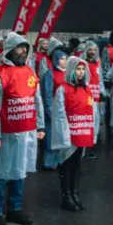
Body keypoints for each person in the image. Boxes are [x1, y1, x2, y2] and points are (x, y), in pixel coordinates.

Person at [0, 32, 45, 225]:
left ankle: (14, 209)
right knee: (2, 172)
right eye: (20, 47)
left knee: (20, 170)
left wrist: (40, 125)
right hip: (7, 131)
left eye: (25, 48)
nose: (23, 51)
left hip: (26, 130)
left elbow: (37, 100)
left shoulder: (29, 71)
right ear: (10, 49)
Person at [50, 55, 96, 212]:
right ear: (71, 70)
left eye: (83, 69)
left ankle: (75, 193)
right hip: (69, 135)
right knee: (67, 165)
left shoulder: (87, 89)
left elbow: (92, 111)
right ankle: (66, 196)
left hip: (83, 133)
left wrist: (91, 132)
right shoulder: (63, 89)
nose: (81, 72)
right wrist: (64, 135)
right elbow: (59, 114)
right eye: (78, 69)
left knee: (77, 165)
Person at [39, 39, 68, 171]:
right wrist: (50, 111)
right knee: (50, 139)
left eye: (65, 58)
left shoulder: (66, 73)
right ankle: (49, 163)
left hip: (63, 111)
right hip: (53, 112)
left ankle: (59, 160)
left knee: (61, 137)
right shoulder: (50, 74)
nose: (64, 61)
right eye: (61, 59)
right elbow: (47, 94)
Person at [82, 40, 104, 160]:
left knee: (95, 123)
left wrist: (102, 93)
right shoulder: (82, 63)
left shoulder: (98, 64)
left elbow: (100, 80)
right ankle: (83, 150)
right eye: (90, 49)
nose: (92, 52)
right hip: (85, 98)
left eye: (94, 50)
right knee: (86, 122)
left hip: (95, 99)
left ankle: (91, 147)